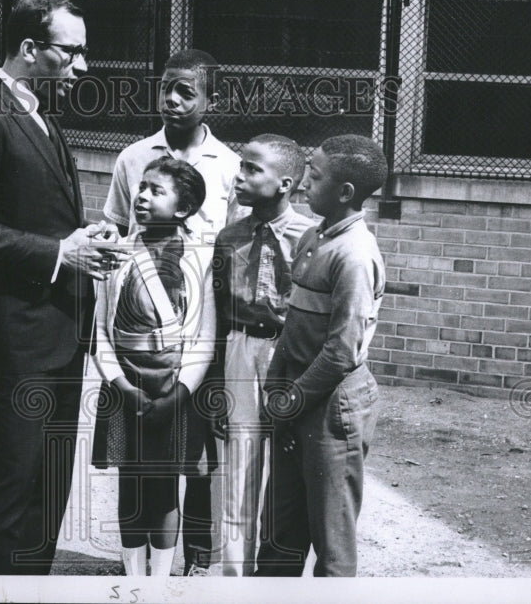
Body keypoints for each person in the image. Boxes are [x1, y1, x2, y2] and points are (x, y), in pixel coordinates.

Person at [0, 0, 121, 575]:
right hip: (20, 336)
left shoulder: (42, 115)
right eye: (71, 53)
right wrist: (58, 253)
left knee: (50, 482)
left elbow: (36, 215)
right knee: (17, 477)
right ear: (27, 49)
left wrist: (84, 238)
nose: (82, 67)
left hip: (61, 331)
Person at [102, 48, 248, 575]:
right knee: (143, 455)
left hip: (202, 327)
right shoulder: (134, 157)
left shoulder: (232, 167)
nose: (171, 99)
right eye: (165, 87)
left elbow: (238, 249)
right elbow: (117, 235)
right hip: (144, 331)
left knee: (198, 456)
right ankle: (141, 570)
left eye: (186, 90)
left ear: (213, 99)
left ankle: (197, 560)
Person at [255, 134, 387, 577]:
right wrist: (277, 391)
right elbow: (293, 329)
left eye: (314, 175)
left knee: (331, 545)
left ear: (345, 192)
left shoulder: (353, 254)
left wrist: (292, 399)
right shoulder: (314, 236)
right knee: (278, 532)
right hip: (298, 394)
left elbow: (341, 351)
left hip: (332, 406)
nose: (302, 184)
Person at [90, 157, 216, 577]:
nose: (141, 196)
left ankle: (159, 584)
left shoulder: (199, 258)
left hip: (175, 390)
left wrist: (179, 394)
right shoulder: (119, 253)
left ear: (183, 209)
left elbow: (203, 340)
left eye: (156, 191)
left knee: (164, 490)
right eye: (141, 187)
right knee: (130, 485)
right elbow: (101, 332)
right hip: (125, 386)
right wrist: (122, 384)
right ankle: (133, 579)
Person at [208, 134, 313, 576]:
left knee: (288, 467)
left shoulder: (309, 236)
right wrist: (215, 377)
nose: (240, 176)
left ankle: (277, 577)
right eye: (241, 167)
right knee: (239, 465)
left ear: (285, 182)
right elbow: (216, 309)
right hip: (240, 347)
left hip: (286, 353)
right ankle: (234, 580)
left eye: (253, 169)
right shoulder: (230, 236)